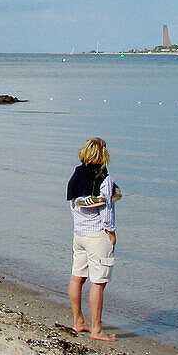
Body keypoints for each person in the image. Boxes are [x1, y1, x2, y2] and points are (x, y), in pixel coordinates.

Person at [66, 137, 119, 341]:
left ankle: (78, 321)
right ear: (103, 155)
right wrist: (111, 233)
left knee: (77, 277)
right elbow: (107, 210)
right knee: (98, 282)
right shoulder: (104, 179)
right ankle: (97, 329)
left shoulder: (76, 175)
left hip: (79, 233)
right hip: (97, 235)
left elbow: (72, 204)